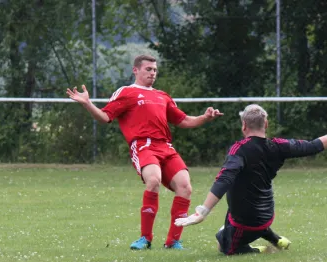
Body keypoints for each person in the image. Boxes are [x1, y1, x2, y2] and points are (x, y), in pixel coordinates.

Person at [66, 55, 223, 250]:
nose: (152, 73)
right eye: (148, 69)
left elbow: (183, 121)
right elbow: (105, 117)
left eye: (155, 70)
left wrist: (205, 117)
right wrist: (87, 104)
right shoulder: (127, 93)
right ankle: (145, 239)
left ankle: (173, 241)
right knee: (154, 180)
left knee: (185, 186)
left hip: (165, 146)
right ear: (136, 70)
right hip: (143, 146)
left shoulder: (162, 96)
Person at [175, 104, 327, 255]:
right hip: (266, 214)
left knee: (224, 248)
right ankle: (277, 239)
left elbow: (224, 178)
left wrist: (203, 211)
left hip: (247, 223)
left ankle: (259, 248)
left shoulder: (238, 149)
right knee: (240, 202)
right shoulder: (278, 146)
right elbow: (313, 146)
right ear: (266, 124)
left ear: (243, 126)